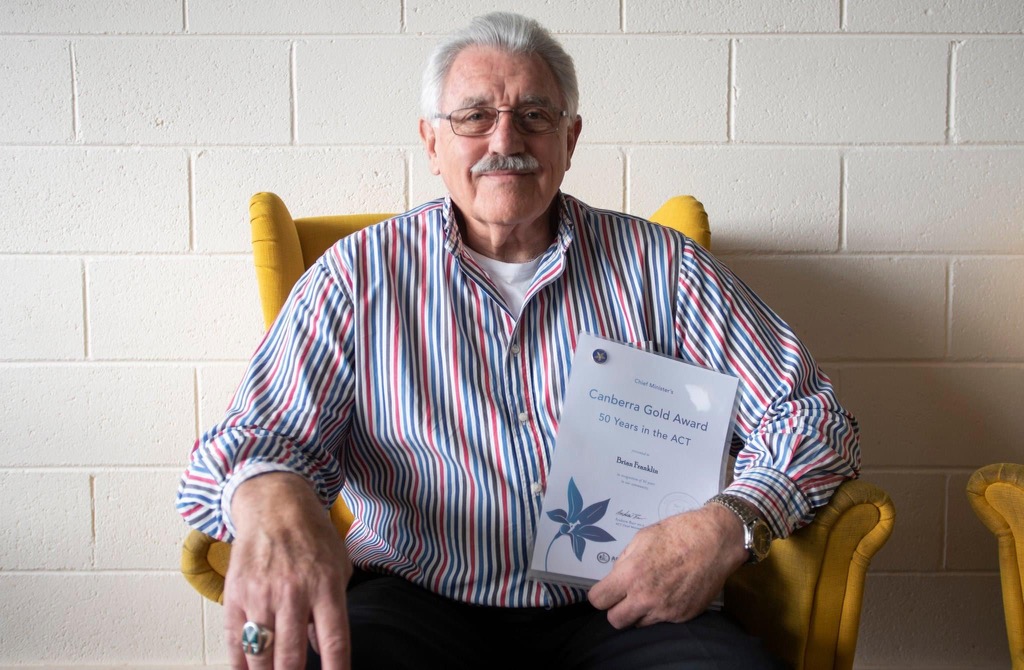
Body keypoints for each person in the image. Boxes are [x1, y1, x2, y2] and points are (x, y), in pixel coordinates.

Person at [177, 11, 859, 669]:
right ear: (432, 141)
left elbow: (812, 418)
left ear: (570, 138)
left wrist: (730, 522)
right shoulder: (355, 277)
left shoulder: (666, 268)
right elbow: (251, 440)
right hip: (413, 599)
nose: (506, 140)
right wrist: (270, 496)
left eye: (534, 116)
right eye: (474, 116)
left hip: (624, 605)